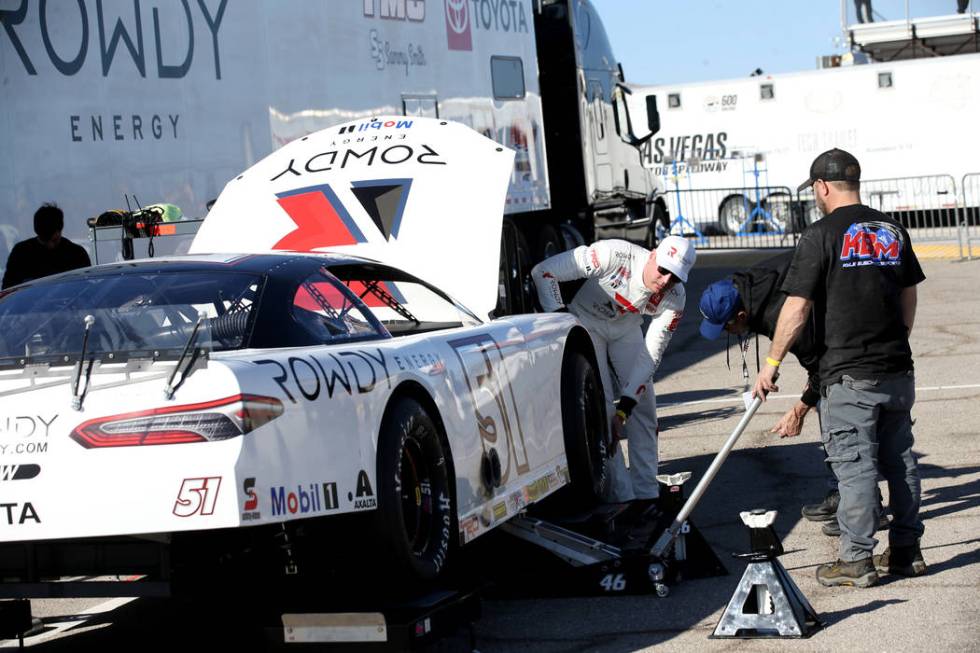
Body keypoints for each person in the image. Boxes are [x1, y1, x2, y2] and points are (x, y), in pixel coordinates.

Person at [753, 148, 926, 588]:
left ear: (821, 187)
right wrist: (897, 339)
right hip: (896, 369)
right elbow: (909, 294)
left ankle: (855, 559)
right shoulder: (891, 229)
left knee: (855, 467)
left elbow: (797, 307)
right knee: (901, 462)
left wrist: (771, 363)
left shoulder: (819, 235)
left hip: (850, 376)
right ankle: (906, 551)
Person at [699, 253, 890, 537]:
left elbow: (823, 365)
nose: (728, 334)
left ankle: (864, 509)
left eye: (726, 327)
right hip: (831, 326)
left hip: (858, 337)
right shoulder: (746, 286)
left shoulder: (779, 314)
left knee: (839, 418)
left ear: (740, 316)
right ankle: (841, 493)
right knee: (826, 402)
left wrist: (800, 409)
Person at [532, 236, 696, 506]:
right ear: (653, 255)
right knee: (602, 409)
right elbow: (543, 272)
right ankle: (620, 497)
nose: (666, 281)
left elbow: (650, 355)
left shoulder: (676, 298)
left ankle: (646, 495)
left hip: (625, 329)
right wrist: (562, 320)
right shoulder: (612, 254)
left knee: (644, 406)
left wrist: (627, 406)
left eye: (676, 277)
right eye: (663, 270)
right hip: (585, 324)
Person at [2, 203, 91, 289]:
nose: (50, 245)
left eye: (54, 240)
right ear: (37, 232)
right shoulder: (21, 253)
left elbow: (87, 287)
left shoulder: (76, 254)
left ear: (60, 230)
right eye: (44, 240)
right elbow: (9, 288)